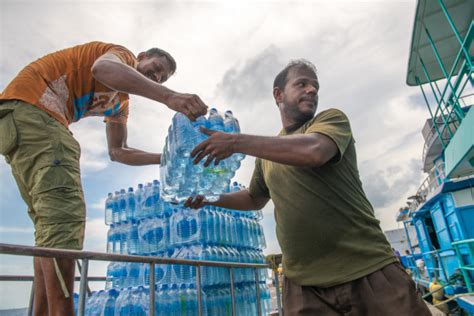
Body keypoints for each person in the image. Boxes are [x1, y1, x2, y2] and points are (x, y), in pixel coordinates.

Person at [185, 60, 430, 315]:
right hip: (303, 286)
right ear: (278, 94)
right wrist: (210, 197)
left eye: (315, 86)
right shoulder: (266, 153)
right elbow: (253, 198)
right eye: (302, 83)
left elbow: (315, 151)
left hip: (368, 271)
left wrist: (235, 142)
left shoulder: (330, 120)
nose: (312, 90)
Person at [0, 41, 207, 315]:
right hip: (33, 110)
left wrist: (168, 157)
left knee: (49, 227)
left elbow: (118, 151)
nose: (156, 78)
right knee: (66, 218)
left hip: (20, 124)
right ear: (141, 57)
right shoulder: (121, 56)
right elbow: (102, 68)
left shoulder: (120, 104)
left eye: (162, 78)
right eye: (155, 69)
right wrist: (170, 96)